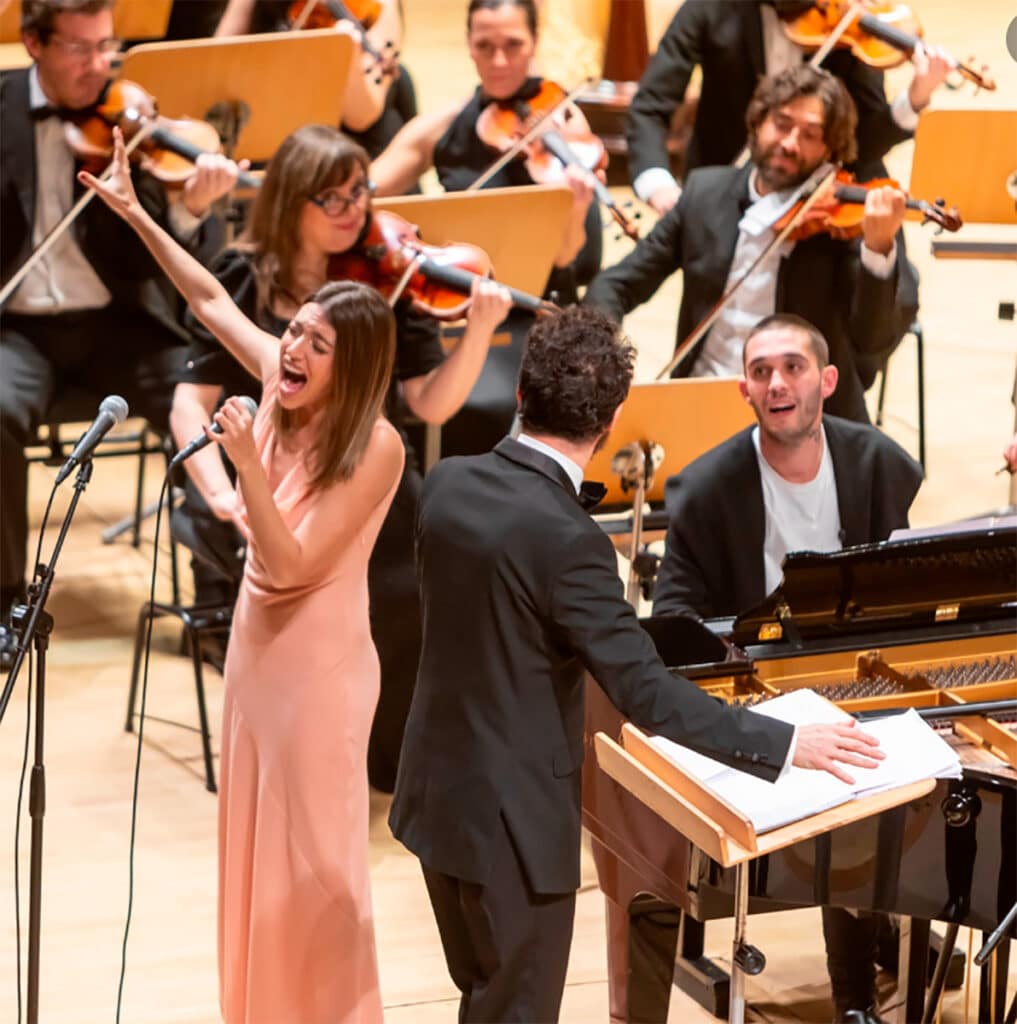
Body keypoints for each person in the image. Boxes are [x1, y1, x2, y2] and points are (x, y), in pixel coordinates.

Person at [389, 303, 885, 1023]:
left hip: (436, 802)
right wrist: (784, 742)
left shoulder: (446, 485)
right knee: (513, 1010)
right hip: (513, 831)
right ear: (612, 419)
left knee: (482, 994)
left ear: (522, 395)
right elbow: (645, 693)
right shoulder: (571, 543)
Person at [82, 127, 403, 1022]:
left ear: (355, 366)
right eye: (292, 332)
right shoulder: (280, 376)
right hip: (259, 659)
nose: (290, 349)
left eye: (313, 345)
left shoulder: (374, 447)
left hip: (322, 673)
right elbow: (213, 295)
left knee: (316, 862)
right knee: (257, 852)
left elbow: (293, 561)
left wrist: (244, 475)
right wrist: (139, 215)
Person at [171, 123, 511, 790]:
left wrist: (476, 334)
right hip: (262, 480)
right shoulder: (244, 274)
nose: (354, 209)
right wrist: (219, 491)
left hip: (363, 482)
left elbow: (431, 403)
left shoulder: (386, 280)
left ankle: (385, 765)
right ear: (292, 201)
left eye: (360, 192)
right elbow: (190, 402)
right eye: (332, 197)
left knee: (408, 591)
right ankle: (296, 758)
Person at [652, 314, 923, 1024]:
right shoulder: (706, 487)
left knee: (920, 764)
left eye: (793, 368)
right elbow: (675, 614)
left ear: (826, 382)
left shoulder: (877, 463)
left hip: (858, 670)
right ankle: (854, 998)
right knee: (846, 781)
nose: (777, 383)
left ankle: (894, 916)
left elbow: (900, 579)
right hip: (759, 689)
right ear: (744, 388)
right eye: (762, 371)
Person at [0, 0, 240, 662]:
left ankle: (213, 606)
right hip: (16, 330)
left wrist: (190, 209)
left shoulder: (131, 121)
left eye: (107, 46)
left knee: (206, 405)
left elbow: (158, 264)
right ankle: (6, 604)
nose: (99, 65)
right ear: (32, 45)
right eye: (79, 48)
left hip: (118, 326)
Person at [585, 64, 916, 424]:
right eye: (782, 124)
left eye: (810, 134)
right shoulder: (704, 194)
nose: (790, 143)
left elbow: (873, 340)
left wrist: (878, 249)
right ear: (758, 123)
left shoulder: (838, 225)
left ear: (829, 149)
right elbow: (616, 284)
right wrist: (600, 357)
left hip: (804, 421)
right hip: (703, 401)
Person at [626, 0, 950, 217]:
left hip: (823, 189)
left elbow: (862, 141)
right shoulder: (711, 7)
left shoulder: (846, 17)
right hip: (727, 184)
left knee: (897, 290)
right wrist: (658, 184)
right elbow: (650, 106)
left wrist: (915, 98)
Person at [369, 0, 599, 303]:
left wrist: (578, 207)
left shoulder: (563, 122)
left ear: (535, 42)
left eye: (513, 45)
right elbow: (364, 192)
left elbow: (575, 258)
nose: (499, 61)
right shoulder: (444, 125)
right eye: (484, 46)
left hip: (545, 300)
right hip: (463, 298)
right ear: (469, 45)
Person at [213, 0, 418, 159]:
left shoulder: (372, 6)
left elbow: (360, 117)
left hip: (349, 144)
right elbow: (216, 67)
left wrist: (350, 60)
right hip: (274, 130)